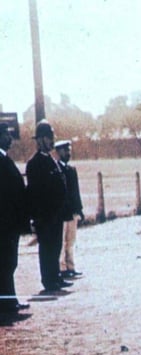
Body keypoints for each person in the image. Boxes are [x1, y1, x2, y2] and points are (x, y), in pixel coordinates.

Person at [26, 120, 72, 292]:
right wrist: (38, 216)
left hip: (56, 214)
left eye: (52, 137)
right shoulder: (35, 163)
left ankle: (56, 277)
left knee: (56, 246)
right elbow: (35, 192)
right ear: (39, 140)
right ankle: (49, 280)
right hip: (45, 215)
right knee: (47, 248)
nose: (51, 141)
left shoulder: (52, 160)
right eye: (48, 138)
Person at [0, 123, 30, 315]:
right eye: (6, 135)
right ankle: (6, 304)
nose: (10, 138)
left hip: (10, 222)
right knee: (5, 263)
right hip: (5, 223)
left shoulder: (5, 159)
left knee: (9, 263)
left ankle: (10, 301)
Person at [55, 140, 84, 279]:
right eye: (65, 150)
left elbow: (76, 191)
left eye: (69, 150)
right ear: (58, 152)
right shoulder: (56, 169)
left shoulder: (72, 169)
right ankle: (62, 268)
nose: (68, 153)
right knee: (61, 240)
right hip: (62, 213)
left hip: (72, 211)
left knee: (71, 240)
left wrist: (79, 209)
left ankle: (71, 266)